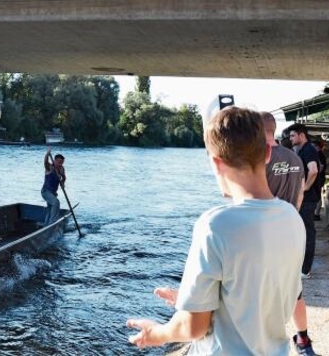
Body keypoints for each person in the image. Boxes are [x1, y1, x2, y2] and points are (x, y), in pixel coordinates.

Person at [126, 107, 304, 353]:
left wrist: (156, 333)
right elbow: (264, 296)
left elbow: (193, 328)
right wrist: (193, 299)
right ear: (266, 153)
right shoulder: (292, 218)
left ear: (216, 163)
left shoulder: (215, 225)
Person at [261, 112, 317, 356]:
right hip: (292, 227)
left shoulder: (259, 158)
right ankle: (303, 340)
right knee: (295, 289)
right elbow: (301, 194)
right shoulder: (293, 157)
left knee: (260, 290)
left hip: (266, 232)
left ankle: (266, 343)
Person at [287, 123, 322, 278]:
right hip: (306, 198)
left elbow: (313, 170)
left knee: (308, 233)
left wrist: (304, 189)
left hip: (308, 199)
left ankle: (305, 270)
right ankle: (302, 267)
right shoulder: (304, 150)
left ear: (301, 135)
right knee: (303, 233)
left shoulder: (308, 150)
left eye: (293, 135)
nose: (290, 138)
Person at [42, 147, 65, 225]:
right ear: (54, 161)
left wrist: (62, 182)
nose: (60, 164)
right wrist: (47, 154)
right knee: (56, 203)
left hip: (53, 193)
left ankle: (46, 225)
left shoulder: (61, 169)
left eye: (62, 162)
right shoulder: (50, 167)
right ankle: (53, 223)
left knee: (50, 208)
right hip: (46, 191)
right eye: (59, 162)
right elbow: (45, 162)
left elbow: (64, 177)